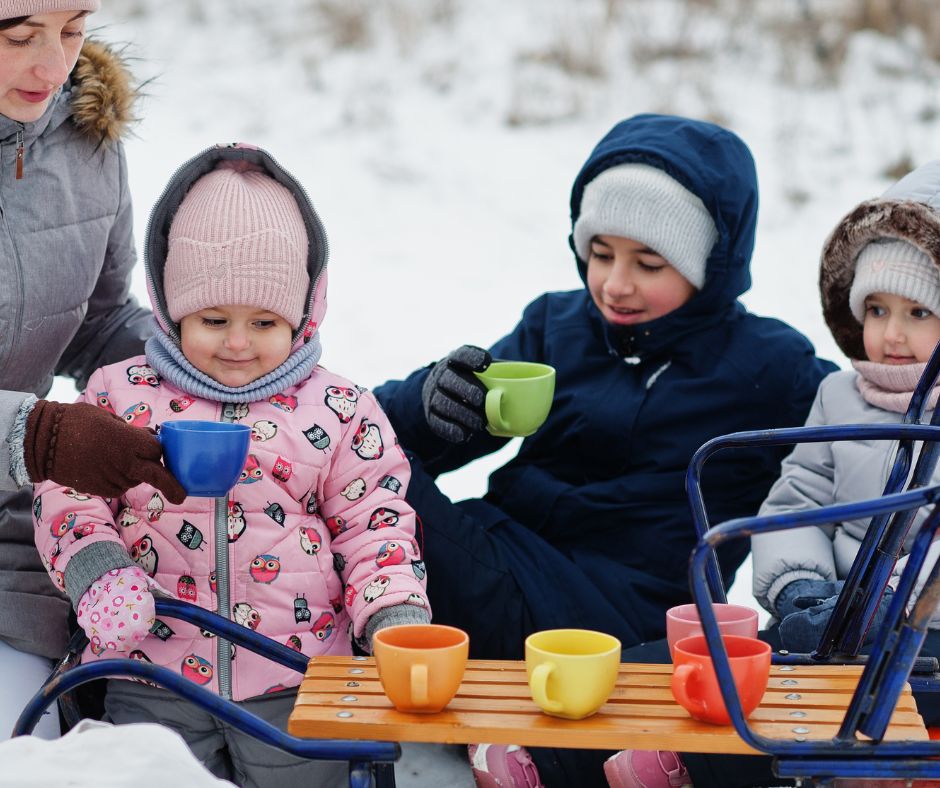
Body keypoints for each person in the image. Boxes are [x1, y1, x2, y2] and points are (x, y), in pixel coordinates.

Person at [373, 113, 837, 787]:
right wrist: (431, 404)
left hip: (613, 629)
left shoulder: (770, 368)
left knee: (356, 464)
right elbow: (384, 439)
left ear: (712, 267)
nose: (616, 283)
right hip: (498, 568)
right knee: (354, 452)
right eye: (600, 253)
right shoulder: (556, 326)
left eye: (650, 263)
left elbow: (865, 444)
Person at [32, 145, 431, 787]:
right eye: (214, 319)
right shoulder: (120, 395)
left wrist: (393, 611)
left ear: (303, 314)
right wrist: (96, 568)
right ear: (170, 305)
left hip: (297, 682)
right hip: (150, 671)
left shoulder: (337, 408)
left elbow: (374, 523)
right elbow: (69, 496)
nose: (238, 343)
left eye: (265, 321)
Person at [613, 159, 940, 788]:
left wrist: (877, 611)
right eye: (875, 308)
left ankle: (709, 770)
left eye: (919, 313)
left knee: (789, 717)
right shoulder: (841, 397)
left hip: (923, 644)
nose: (890, 334)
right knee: (700, 665)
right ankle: (558, 758)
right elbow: (796, 498)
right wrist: (801, 589)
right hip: (826, 623)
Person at [0, 0, 185, 740]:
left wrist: (208, 368)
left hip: (13, 534)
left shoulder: (86, 141)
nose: (56, 66)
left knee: (30, 745)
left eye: (74, 30)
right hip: (25, 459)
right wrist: (38, 436)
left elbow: (100, 321)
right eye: (19, 36)